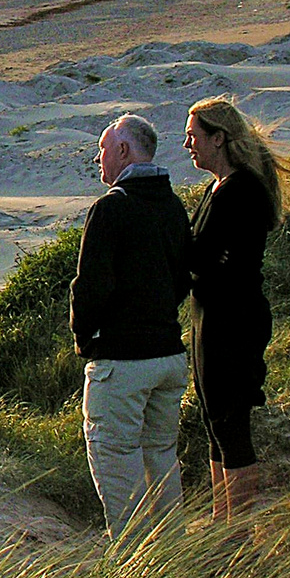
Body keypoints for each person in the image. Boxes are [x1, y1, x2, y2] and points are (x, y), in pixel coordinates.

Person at [69, 114, 192, 538]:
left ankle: (135, 566)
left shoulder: (111, 208)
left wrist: (85, 338)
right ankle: (173, 551)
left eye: (103, 149)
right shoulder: (172, 205)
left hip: (123, 361)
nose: (98, 159)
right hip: (168, 355)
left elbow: (90, 288)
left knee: (116, 462)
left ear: (123, 151)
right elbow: (181, 279)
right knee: (160, 455)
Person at [183, 96, 281, 523]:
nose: (189, 145)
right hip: (211, 315)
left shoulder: (243, 190)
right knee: (213, 419)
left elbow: (206, 257)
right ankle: (225, 528)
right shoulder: (217, 188)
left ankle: (239, 536)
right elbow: (202, 255)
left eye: (194, 136)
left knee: (230, 422)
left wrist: (192, 259)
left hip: (234, 318)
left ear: (218, 139)